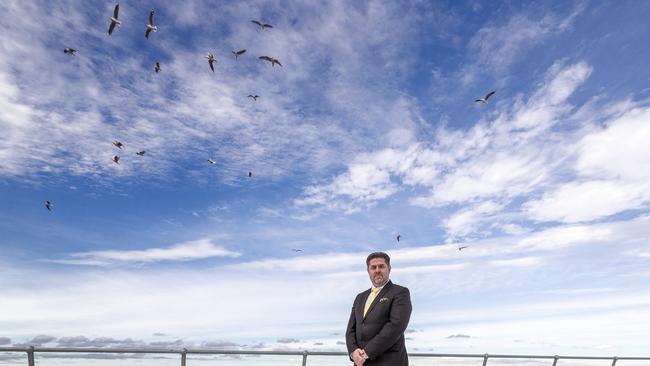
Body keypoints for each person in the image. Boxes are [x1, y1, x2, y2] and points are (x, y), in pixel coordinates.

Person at [345, 252, 412, 366]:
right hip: (361, 362)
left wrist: (367, 352)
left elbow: (396, 325)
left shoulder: (400, 292)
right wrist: (353, 352)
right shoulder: (360, 297)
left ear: (389, 269)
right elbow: (351, 329)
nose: (377, 270)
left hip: (389, 361)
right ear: (368, 271)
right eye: (373, 267)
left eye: (381, 266)